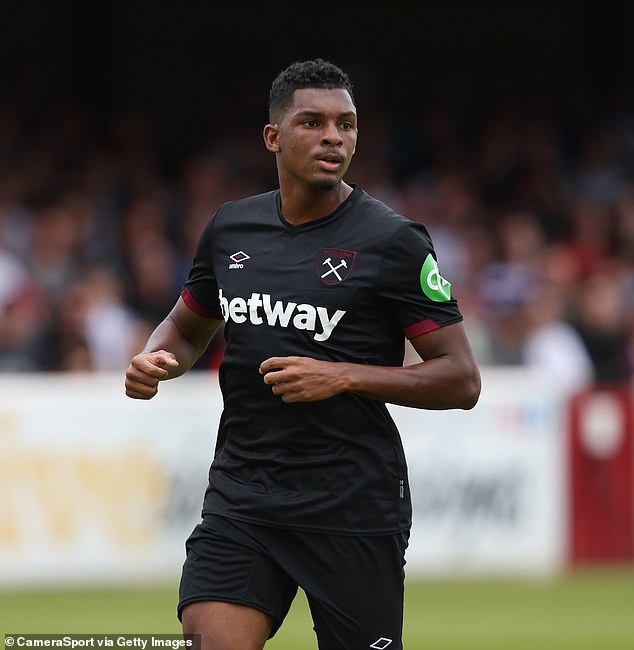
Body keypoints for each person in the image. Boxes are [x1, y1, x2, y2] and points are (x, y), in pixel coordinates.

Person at [125, 58, 481, 650]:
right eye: (313, 123)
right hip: (245, 494)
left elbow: (461, 379)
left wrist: (341, 376)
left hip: (351, 504)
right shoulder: (231, 228)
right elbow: (187, 328)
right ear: (273, 137)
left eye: (346, 124)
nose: (334, 137)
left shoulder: (392, 241)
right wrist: (156, 358)